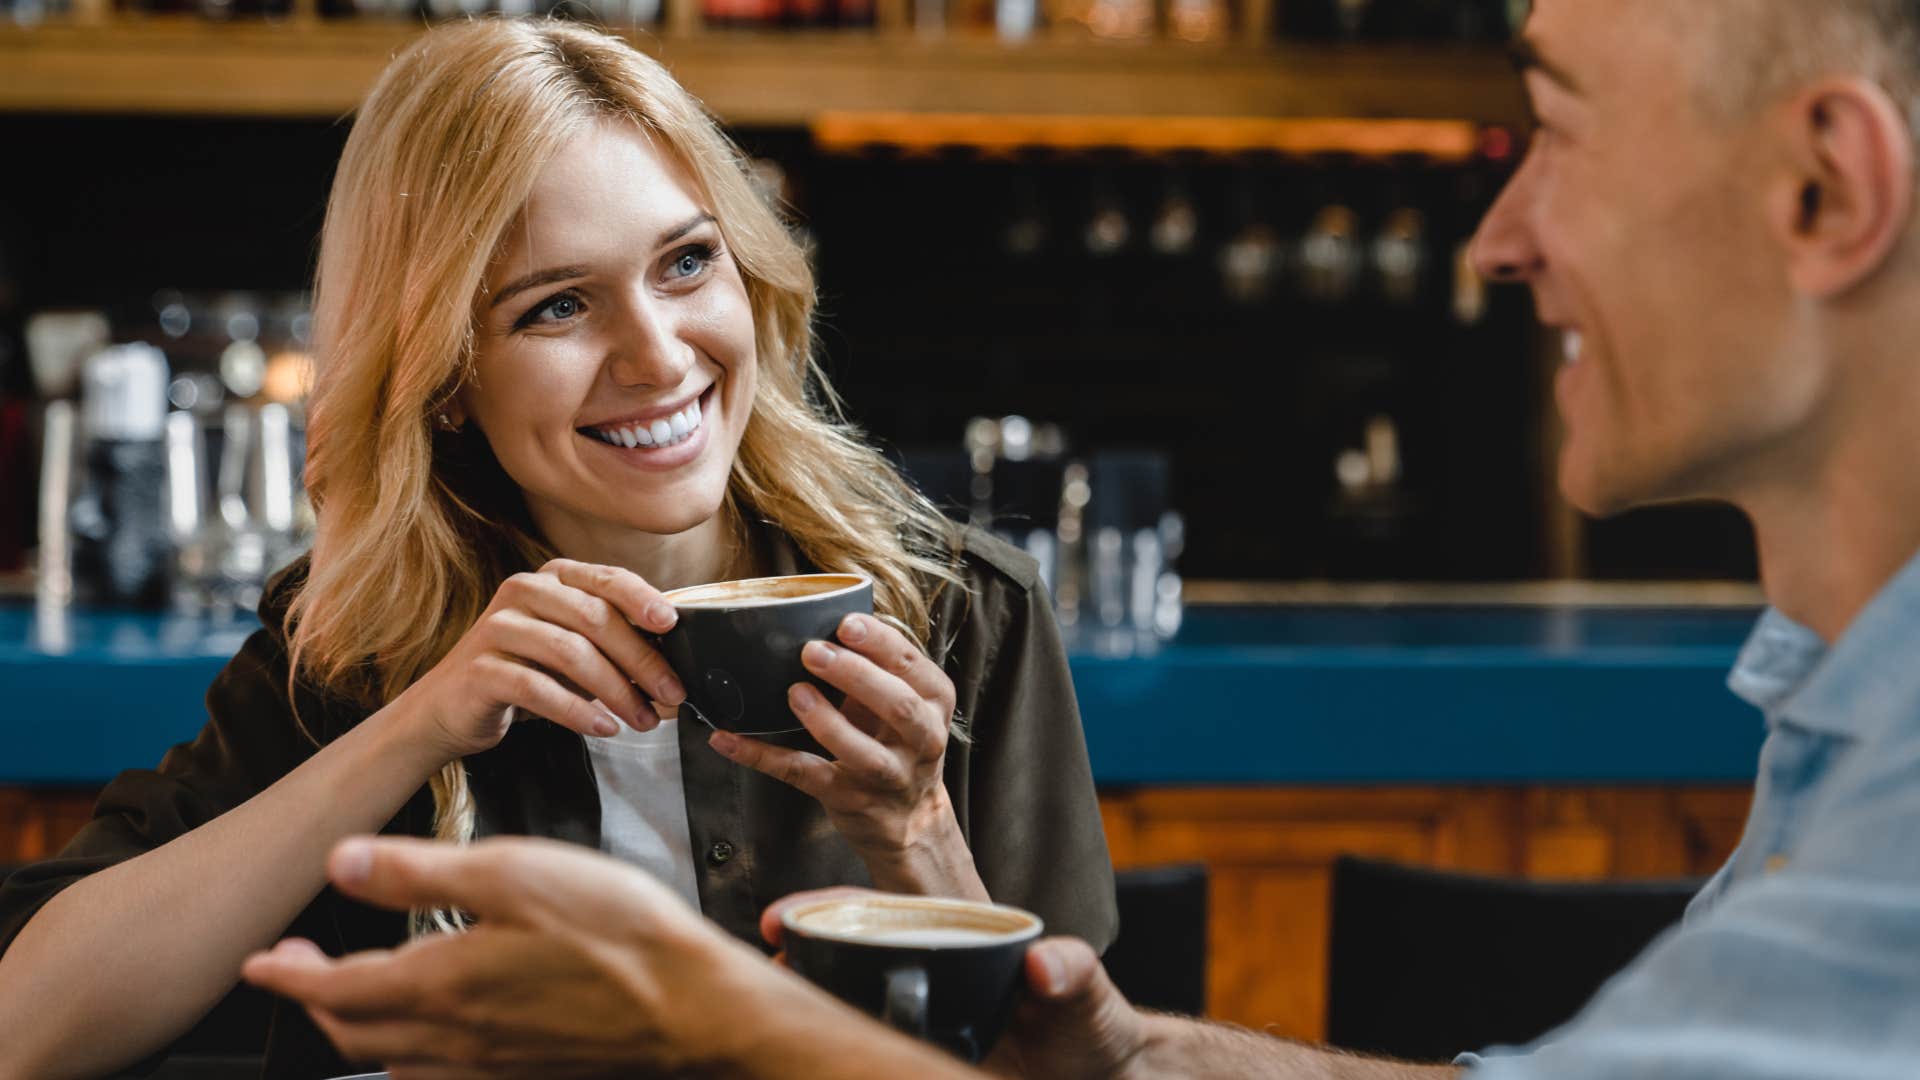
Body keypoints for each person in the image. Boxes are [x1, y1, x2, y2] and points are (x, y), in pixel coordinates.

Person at [244, 0, 1920, 1077]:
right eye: (554, 305)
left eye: (1556, 126)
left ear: (1828, 194)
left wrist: (693, 1018)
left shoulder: (959, 611)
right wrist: (1131, 1053)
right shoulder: (1837, 710)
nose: (1497, 233)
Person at [0, 18, 1116, 1080]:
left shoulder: (965, 611)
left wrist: (916, 833)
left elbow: (1072, 1060)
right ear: (439, 381)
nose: (656, 355)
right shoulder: (354, 644)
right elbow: (27, 1034)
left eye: (686, 263)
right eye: (558, 307)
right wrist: (413, 726)